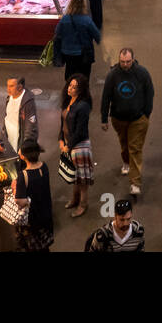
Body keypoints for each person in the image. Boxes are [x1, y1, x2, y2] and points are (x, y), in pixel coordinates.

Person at [100, 47, 155, 197]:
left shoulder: (142, 73)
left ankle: (135, 183)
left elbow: (150, 93)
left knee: (135, 149)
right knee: (124, 144)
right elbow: (106, 97)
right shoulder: (112, 75)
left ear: (133, 59)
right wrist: (104, 118)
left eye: (128, 61)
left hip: (138, 119)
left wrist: (146, 114)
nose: (125, 64)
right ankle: (126, 162)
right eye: (122, 61)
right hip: (119, 119)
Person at [58, 74, 94, 217]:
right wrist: (61, 139)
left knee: (82, 180)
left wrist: (69, 146)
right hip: (69, 144)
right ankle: (74, 199)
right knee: (74, 176)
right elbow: (63, 123)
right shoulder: (68, 101)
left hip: (80, 146)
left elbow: (80, 131)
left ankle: (83, 205)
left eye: (74, 87)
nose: (70, 88)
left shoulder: (83, 106)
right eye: (70, 85)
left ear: (80, 90)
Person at [13, 139, 54, 251]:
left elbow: (19, 201)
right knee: (44, 246)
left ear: (24, 156)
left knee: (33, 247)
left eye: (21, 151)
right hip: (45, 214)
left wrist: (16, 190)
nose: (19, 152)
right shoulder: (44, 167)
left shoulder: (23, 175)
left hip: (32, 219)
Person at [55, 0, 101, 81]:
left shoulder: (65, 19)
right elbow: (97, 36)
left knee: (70, 74)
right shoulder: (86, 20)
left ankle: (70, 90)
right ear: (84, 6)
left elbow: (57, 32)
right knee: (84, 77)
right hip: (83, 54)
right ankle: (82, 92)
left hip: (67, 53)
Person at [0, 76, 38, 156]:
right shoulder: (9, 97)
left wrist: (24, 148)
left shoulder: (28, 103)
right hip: (9, 137)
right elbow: (7, 116)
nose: (8, 89)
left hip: (19, 140)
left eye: (11, 86)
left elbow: (30, 127)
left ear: (20, 87)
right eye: (7, 85)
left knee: (18, 163)